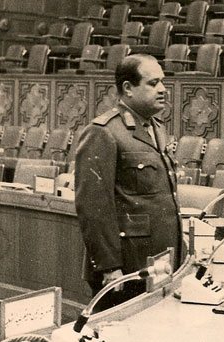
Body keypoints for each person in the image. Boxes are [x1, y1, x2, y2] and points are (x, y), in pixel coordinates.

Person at [75, 54, 183, 310]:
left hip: (160, 262)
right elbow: (94, 208)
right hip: (126, 269)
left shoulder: (156, 128)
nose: (162, 89)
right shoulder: (104, 132)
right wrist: (109, 267)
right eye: (153, 83)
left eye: (162, 82)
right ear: (128, 88)